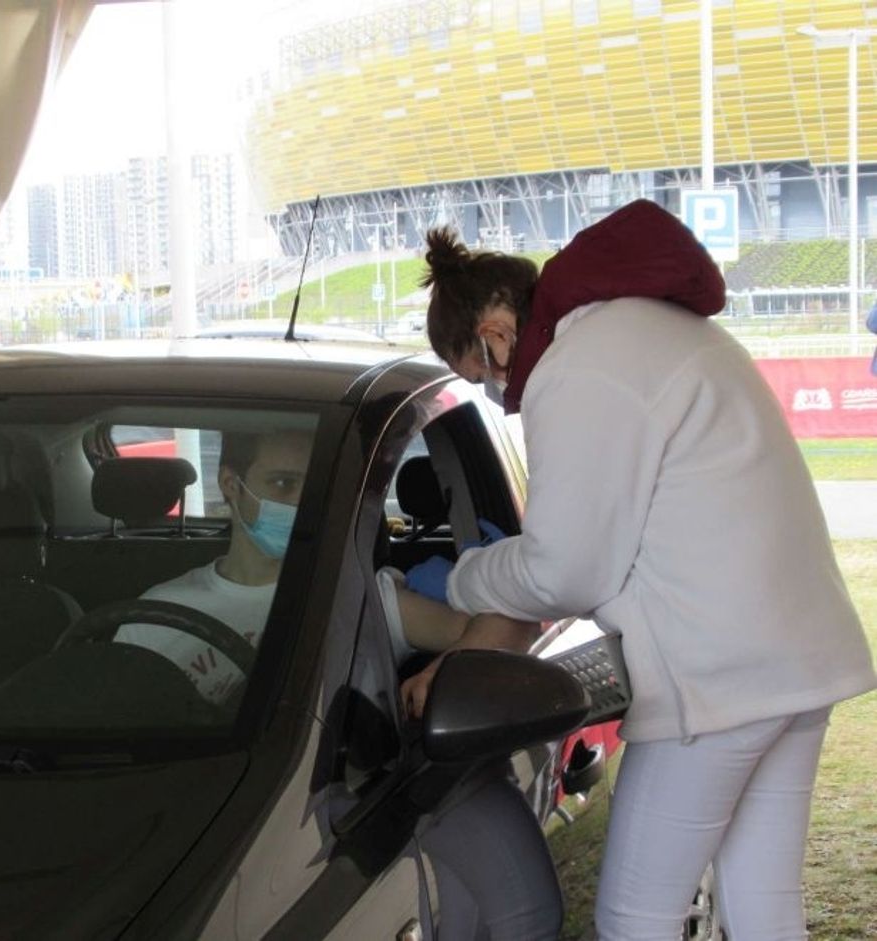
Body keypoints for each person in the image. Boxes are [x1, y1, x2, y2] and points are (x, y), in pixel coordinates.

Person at [401, 198, 877, 941]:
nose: (503, 393)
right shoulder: (650, 329)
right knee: (763, 907)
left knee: (634, 916)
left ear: (495, 333)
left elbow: (566, 571)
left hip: (716, 681)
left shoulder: (576, 366)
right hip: (793, 661)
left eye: (485, 376)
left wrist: (466, 575)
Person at [119, 426, 564, 941]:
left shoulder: (360, 599)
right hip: (202, 835)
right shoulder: (155, 613)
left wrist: (451, 664)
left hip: (322, 831)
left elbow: (515, 622)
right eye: (283, 484)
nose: (301, 506)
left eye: (313, 491)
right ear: (231, 486)